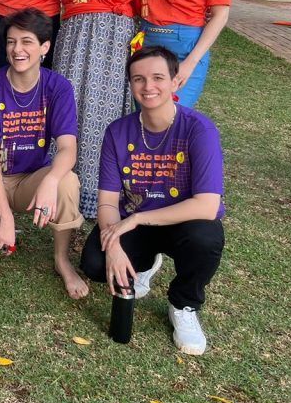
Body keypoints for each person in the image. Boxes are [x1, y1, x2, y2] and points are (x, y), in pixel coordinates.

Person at [80, 46, 225, 355]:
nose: (148, 87)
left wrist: (135, 218)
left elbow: (207, 205)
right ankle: (143, 264)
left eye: (158, 77)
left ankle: (184, 305)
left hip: (181, 222)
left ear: (176, 82)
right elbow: (107, 202)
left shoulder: (199, 130)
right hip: (137, 224)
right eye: (138, 79)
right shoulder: (118, 132)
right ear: (130, 85)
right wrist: (115, 245)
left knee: (206, 237)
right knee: (95, 263)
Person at [0, 8, 88, 298]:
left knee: (66, 182)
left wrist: (51, 180)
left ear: (44, 47)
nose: (17, 50)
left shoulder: (58, 87)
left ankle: (61, 259)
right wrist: (7, 218)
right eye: (11, 42)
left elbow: (68, 148)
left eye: (26, 41)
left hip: (32, 176)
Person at [54, 0, 152, 218]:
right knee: (66, 106)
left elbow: (143, 2)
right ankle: (56, 188)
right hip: (76, 29)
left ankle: (98, 195)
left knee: (102, 114)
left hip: (116, 33)